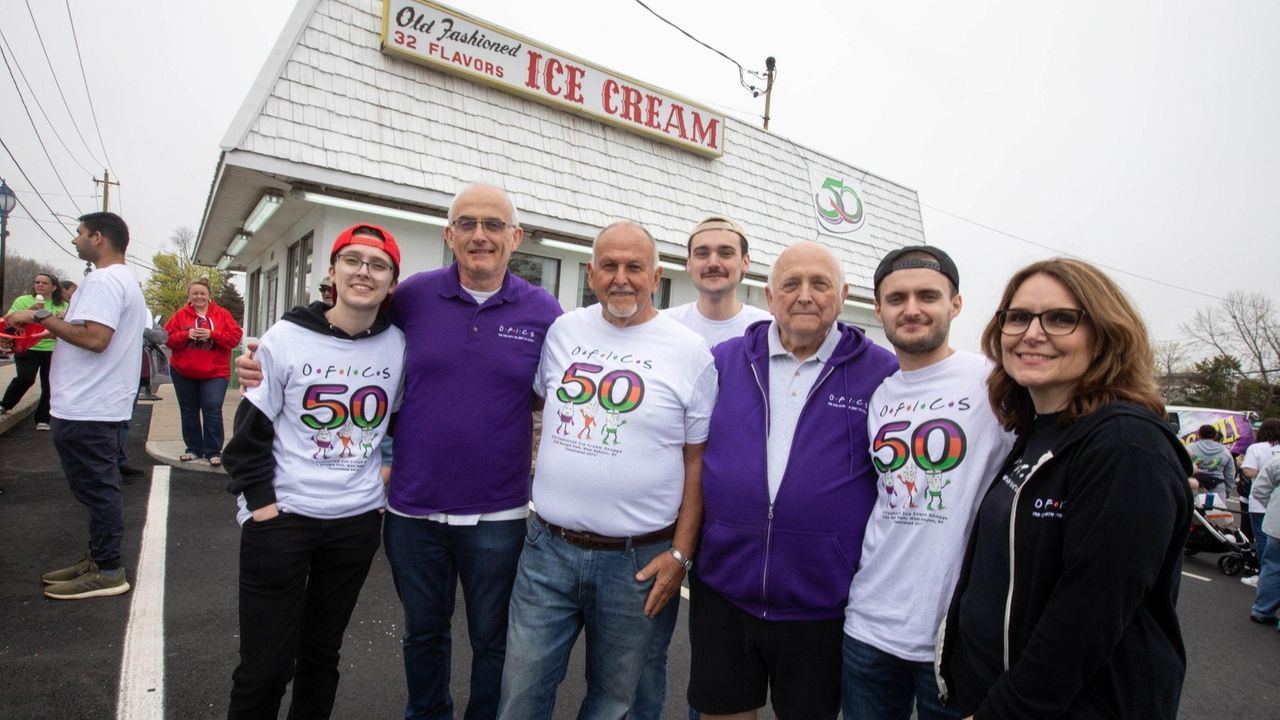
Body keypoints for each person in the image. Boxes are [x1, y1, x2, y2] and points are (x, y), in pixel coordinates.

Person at [235, 183, 561, 720]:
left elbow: (553, 391)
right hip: (413, 511)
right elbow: (342, 324)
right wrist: (266, 353)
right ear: (448, 234)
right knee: (423, 636)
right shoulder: (411, 298)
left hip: (499, 512)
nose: (480, 235)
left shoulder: (544, 311)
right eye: (468, 224)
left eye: (494, 225)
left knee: (495, 642)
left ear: (516, 237)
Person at [938, 258, 1192, 719]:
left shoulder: (1126, 446)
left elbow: (1087, 617)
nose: (1033, 334)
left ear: (1105, 333)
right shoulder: (1036, 434)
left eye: (1061, 318)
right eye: (1017, 318)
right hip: (987, 694)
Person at [497, 221, 716, 719]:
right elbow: (533, 402)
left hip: (638, 561)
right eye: (609, 267)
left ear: (655, 275)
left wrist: (681, 553)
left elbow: (697, 460)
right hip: (548, 550)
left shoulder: (689, 353)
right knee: (521, 693)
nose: (622, 278)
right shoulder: (563, 331)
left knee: (617, 703)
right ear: (591, 274)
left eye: (634, 267)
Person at [689, 241, 895, 719]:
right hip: (725, 589)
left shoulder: (881, 374)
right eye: (791, 284)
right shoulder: (724, 360)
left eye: (819, 284)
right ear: (769, 295)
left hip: (821, 602)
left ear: (842, 295)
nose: (805, 295)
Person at [222, 224, 406, 718]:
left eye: (378, 264)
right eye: (352, 260)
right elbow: (247, 438)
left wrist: (385, 476)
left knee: (321, 656)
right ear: (332, 271)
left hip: (355, 524)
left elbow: (406, 425)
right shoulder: (286, 338)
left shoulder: (400, 348)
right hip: (284, 520)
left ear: (392, 283)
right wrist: (263, 508)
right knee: (264, 667)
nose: (363, 271)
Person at [842, 246, 1013, 720]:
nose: (911, 309)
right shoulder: (880, 395)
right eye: (896, 298)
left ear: (955, 305)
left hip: (952, 633)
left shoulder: (995, 384)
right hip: (869, 623)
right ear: (878, 309)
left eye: (927, 296)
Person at [8, 212, 146, 600]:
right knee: (96, 488)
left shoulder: (104, 280)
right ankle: (100, 558)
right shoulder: (118, 280)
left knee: (99, 490)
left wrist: (40, 316)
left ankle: (107, 570)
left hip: (90, 406)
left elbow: (96, 338)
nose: (75, 239)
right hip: (94, 404)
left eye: (80, 233)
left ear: (98, 238)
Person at [165, 278, 242, 465]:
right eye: (195, 293)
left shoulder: (222, 314)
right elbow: (167, 338)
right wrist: (186, 335)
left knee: (212, 409)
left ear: (209, 296)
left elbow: (234, 338)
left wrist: (212, 335)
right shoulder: (180, 315)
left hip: (215, 373)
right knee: (189, 411)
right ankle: (193, 449)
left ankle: (214, 451)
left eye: (202, 293)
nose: (199, 296)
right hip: (183, 372)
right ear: (189, 296)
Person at [664, 215, 771, 347]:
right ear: (689, 262)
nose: (713, 263)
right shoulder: (664, 326)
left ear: (745, 262)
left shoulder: (768, 331)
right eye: (702, 254)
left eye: (726, 253)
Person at [1, 272, 70, 430]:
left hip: (52, 348)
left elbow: (68, 327)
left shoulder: (62, 305)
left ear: (54, 287)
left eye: (44, 283)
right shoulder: (23, 300)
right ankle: (5, 404)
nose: (39, 285)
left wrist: (62, 318)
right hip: (27, 346)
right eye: (37, 282)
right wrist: (32, 310)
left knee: (49, 383)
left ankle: (43, 419)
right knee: (26, 377)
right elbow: (8, 320)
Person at [1240, 418, 1280, 587]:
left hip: (1259, 500)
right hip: (1275, 503)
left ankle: (1264, 577)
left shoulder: (1256, 448)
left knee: (1262, 541)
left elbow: (1250, 471)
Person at [1248, 453, 1280, 624]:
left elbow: (1259, 489)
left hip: (1276, 524)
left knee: (1272, 566)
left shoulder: (1277, 459)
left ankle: (1262, 609)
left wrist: (1273, 506)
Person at [1188, 424, 1235, 504]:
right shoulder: (1225, 451)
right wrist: (1227, 491)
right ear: (1215, 435)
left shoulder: (1190, 448)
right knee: (1217, 515)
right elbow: (1230, 474)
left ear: (1199, 434)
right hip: (1218, 489)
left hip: (1195, 488)